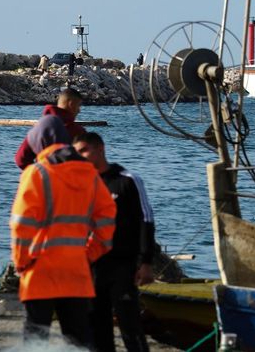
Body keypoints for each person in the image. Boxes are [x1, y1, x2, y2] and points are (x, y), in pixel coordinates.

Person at [10, 115, 116, 348]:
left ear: (39, 143)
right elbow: (108, 219)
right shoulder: (90, 174)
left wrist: (21, 261)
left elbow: (21, 224)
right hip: (77, 271)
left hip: (39, 270)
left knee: (35, 339)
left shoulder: (36, 173)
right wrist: (89, 254)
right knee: (78, 339)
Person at [73, 132, 155, 352]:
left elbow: (145, 221)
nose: (80, 157)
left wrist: (146, 262)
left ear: (100, 149)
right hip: (92, 267)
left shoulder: (127, 180)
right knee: (97, 329)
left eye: (83, 151)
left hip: (123, 265)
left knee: (130, 325)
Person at [15, 88, 86, 170]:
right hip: (67, 180)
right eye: (78, 106)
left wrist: (40, 173)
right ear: (71, 104)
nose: (79, 111)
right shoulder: (76, 131)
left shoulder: (38, 127)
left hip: (42, 179)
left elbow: (20, 160)